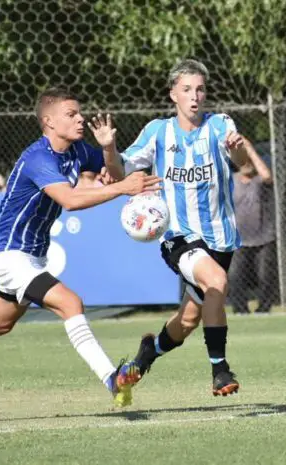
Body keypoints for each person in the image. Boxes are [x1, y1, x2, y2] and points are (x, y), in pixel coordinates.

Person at [0, 88, 161, 415]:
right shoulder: (38, 158)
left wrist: (109, 148)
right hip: (10, 255)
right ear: (48, 121)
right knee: (71, 303)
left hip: (33, 256)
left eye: (79, 112)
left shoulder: (78, 151)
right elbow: (71, 200)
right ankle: (112, 379)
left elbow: (116, 173)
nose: (80, 118)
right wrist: (122, 189)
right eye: (71, 114)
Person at [99, 59, 256, 396]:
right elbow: (116, 172)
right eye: (186, 89)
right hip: (178, 238)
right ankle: (221, 371)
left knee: (186, 322)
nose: (194, 96)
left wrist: (239, 150)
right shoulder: (158, 131)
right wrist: (109, 147)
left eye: (200, 89)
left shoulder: (219, 126)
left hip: (220, 238)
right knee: (216, 280)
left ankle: (145, 354)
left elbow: (245, 167)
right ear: (173, 94)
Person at [227, 137, 277, 315]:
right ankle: (240, 310)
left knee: (266, 277)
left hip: (264, 235)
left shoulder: (260, 180)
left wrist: (249, 148)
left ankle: (263, 310)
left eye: (249, 160)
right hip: (238, 238)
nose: (247, 163)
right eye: (243, 160)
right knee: (235, 276)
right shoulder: (230, 180)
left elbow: (267, 175)